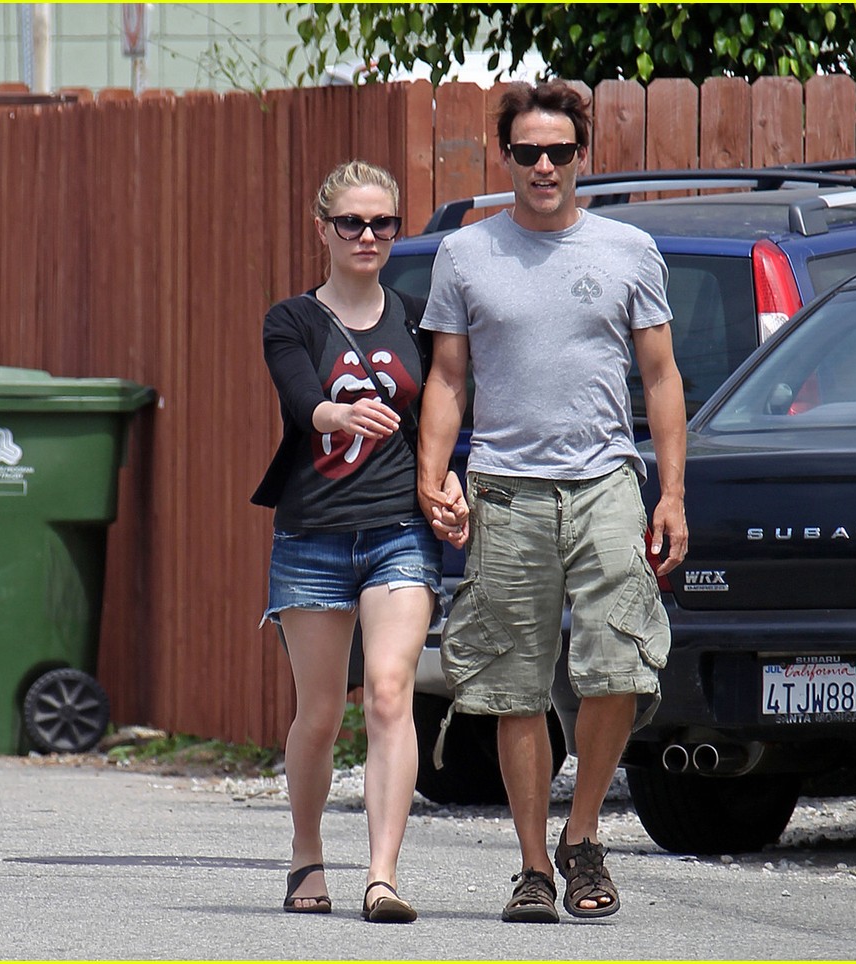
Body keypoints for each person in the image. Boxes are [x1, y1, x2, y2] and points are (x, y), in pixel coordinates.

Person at [416, 81, 689, 924]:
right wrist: (433, 475)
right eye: (529, 151)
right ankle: (534, 866)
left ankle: (583, 836)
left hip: (607, 482)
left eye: (559, 151)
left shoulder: (628, 250)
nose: (544, 165)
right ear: (506, 156)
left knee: (619, 664)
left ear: (581, 156)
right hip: (504, 490)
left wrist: (673, 493)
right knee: (512, 685)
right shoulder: (466, 253)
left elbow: (661, 377)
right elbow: (448, 377)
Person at [251, 160, 467, 923]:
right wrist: (335, 416)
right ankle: (306, 855)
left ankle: (382, 876)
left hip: (397, 532)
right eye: (352, 222)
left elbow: (441, 415)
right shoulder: (292, 320)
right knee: (318, 713)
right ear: (324, 230)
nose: (367, 235)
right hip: (312, 535)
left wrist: (449, 481)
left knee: (387, 692)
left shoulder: (416, 320)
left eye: (382, 223)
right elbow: (301, 398)